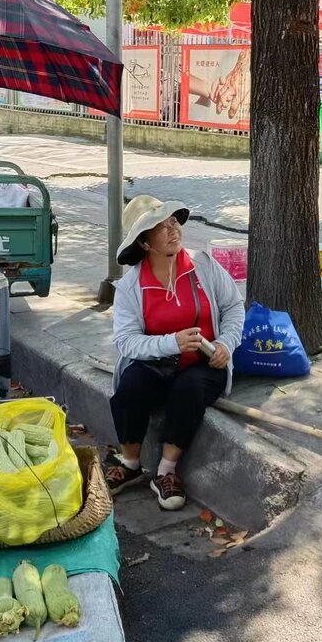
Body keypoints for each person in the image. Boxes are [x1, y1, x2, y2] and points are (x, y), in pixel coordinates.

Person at [107, 195, 245, 510]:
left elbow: (234, 308)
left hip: (204, 363)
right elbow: (126, 341)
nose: (173, 230)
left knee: (190, 388)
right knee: (130, 388)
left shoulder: (204, 266)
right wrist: (172, 343)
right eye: (161, 226)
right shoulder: (131, 287)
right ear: (144, 242)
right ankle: (130, 465)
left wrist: (225, 343)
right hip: (157, 363)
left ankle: (166, 471)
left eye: (173, 222)